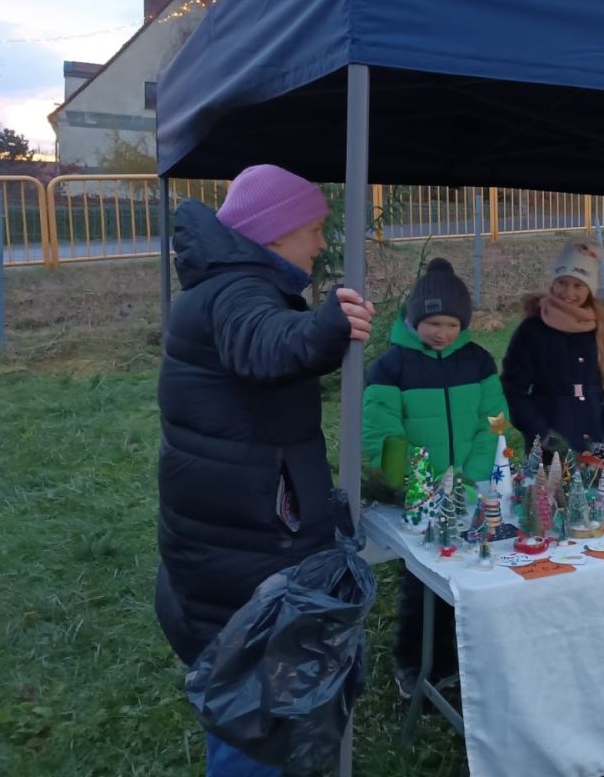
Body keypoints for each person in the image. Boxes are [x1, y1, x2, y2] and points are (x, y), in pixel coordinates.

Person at [156, 164, 374, 777]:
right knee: (248, 704)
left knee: (243, 691)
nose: (322, 244)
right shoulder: (237, 290)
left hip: (228, 533)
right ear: (276, 232)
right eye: (313, 229)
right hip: (246, 544)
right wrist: (326, 327)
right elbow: (267, 344)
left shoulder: (226, 284)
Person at [362, 257, 505, 696]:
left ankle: (464, 657)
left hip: (468, 489)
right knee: (423, 582)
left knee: (473, 573)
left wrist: (473, 475)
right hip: (419, 496)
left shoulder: (478, 362)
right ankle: (414, 664)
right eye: (432, 323)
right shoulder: (391, 367)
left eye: (451, 324)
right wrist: (415, 483)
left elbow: (494, 421)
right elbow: (382, 434)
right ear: (413, 320)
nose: (442, 332)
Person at [501, 242, 604, 452]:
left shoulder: (603, 328)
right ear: (553, 282)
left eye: (578, 285)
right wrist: (541, 432)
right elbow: (512, 388)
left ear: (589, 289)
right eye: (562, 282)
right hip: (549, 445)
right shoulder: (532, 330)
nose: (568, 292)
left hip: (598, 438)